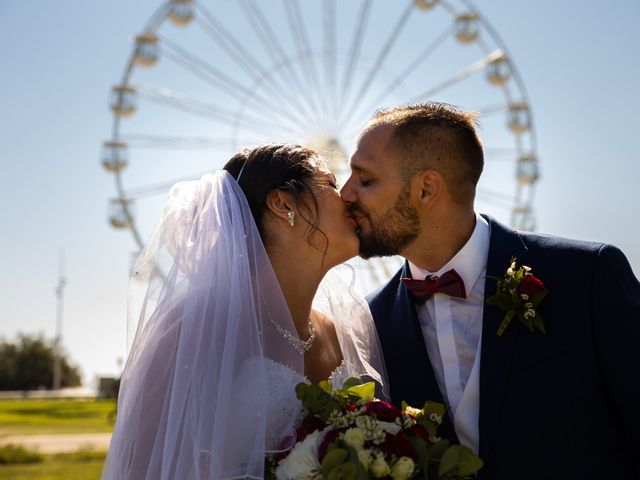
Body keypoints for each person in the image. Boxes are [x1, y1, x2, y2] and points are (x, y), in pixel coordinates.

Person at [339, 102, 640, 479]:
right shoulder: (369, 324)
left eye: (365, 180)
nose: (345, 194)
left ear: (426, 189)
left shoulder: (586, 276)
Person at [103, 144, 387, 480]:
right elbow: (142, 465)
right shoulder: (194, 327)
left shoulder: (342, 331)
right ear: (282, 204)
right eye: (329, 183)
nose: (348, 197)